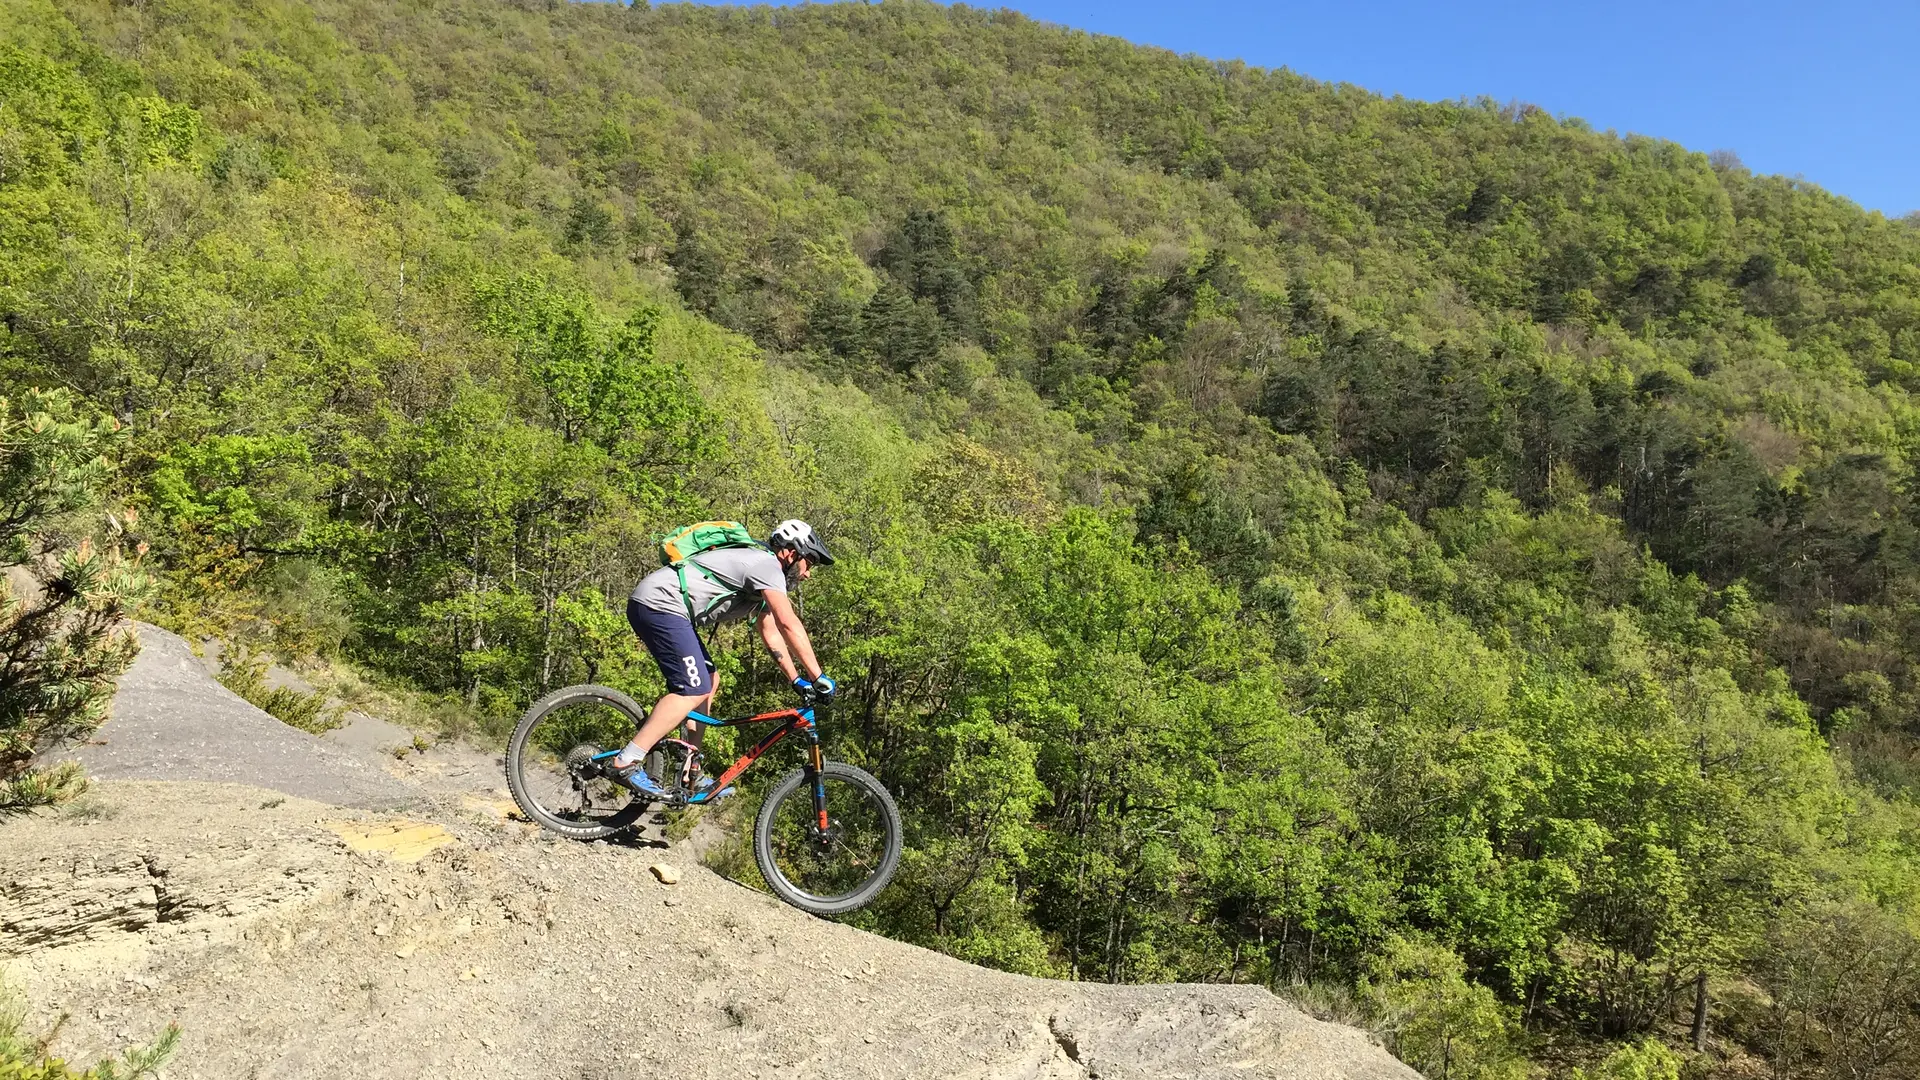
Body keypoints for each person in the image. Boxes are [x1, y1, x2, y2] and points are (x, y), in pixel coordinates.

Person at [606, 518, 837, 799]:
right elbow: (789, 623)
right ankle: (626, 760)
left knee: (709, 680)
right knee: (693, 688)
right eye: (809, 563)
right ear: (791, 553)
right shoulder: (766, 565)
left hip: (665, 610)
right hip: (659, 605)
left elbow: (771, 632)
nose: (808, 574)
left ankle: (691, 769)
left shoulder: (764, 573)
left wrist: (797, 679)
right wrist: (819, 676)